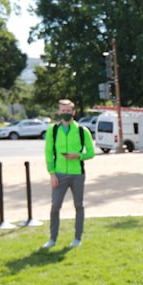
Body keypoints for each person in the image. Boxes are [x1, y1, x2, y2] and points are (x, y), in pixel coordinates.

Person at [42, 100, 94, 249]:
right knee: (55, 206)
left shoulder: (82, 131)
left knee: (78, 206)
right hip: (59, 174)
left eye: (68, 110)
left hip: (77, 174)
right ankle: (52, 239)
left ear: (73, 112)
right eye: (63, 110)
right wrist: (52, 173)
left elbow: (91, 153)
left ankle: (77, 238)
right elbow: (48, 152)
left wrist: (77, 155)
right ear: (59, 112)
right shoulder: (53, 130)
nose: (65, 113)